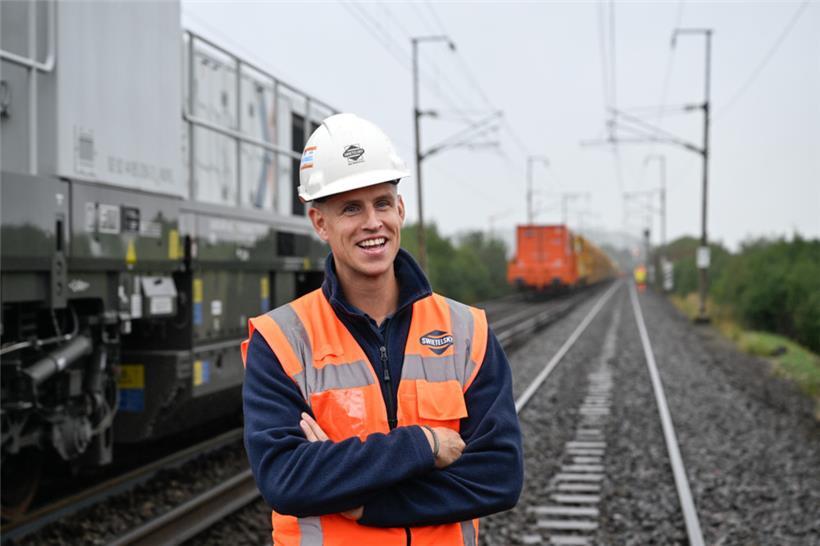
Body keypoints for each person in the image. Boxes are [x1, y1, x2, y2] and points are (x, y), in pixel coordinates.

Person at [241, 113, 523, 546]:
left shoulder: (468, 332)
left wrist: (366, 503)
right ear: (320, 223)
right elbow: (285, 479)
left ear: (401, 210)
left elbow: (499, 476)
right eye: (350, 208)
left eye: (382, 203)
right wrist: (425, 444)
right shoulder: (282, 340)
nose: (372, 222)